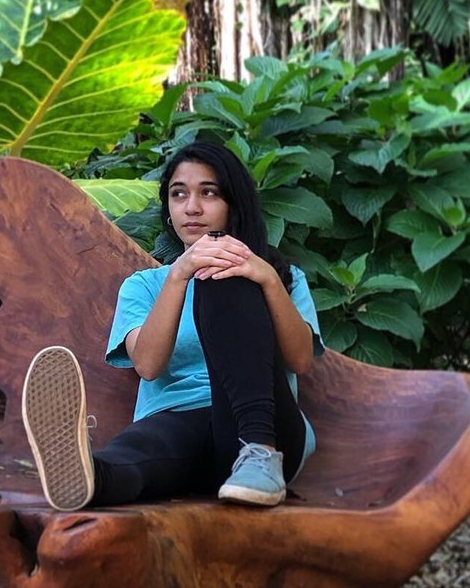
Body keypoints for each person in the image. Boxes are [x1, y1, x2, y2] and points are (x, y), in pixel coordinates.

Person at [21, 140, 324, 511]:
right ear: (168, 209)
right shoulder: (144, 286)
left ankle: (259, 454)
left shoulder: (279, 277)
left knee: (224, 273)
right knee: (134, 458)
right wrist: (180, 274)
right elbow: (148, 365)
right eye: (179, 194)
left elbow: (300, 360)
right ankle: (86, 474)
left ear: (234, 203)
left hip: (269, 431)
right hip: (177, 423)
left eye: (209, 193)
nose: (191, 207)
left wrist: (267, 280)